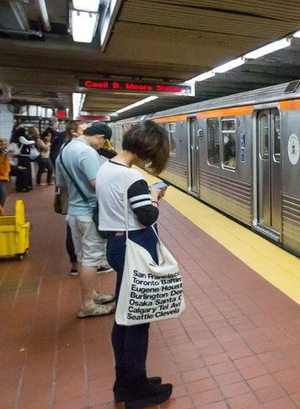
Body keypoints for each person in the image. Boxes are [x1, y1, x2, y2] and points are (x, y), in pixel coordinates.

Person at [96, 120, 172, 408]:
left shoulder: (106, 168)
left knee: (123, 317)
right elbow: (146, 217)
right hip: (134, 247)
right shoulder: (132, 179)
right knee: (139, 320)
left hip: (116, 245)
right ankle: (136, 389)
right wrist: (154, 196)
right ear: (147, 148)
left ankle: (124, 381)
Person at [55, 121, 115, 318]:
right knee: (92, 259)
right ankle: (88, 305)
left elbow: (61, 185)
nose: (101, 147)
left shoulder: (65, 150)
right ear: (100, 137)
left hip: (74, 212)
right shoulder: (87, 152)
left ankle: (93, 294)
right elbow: (96, 184)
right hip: (89, 213)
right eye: (103, 143)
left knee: (83, 258)